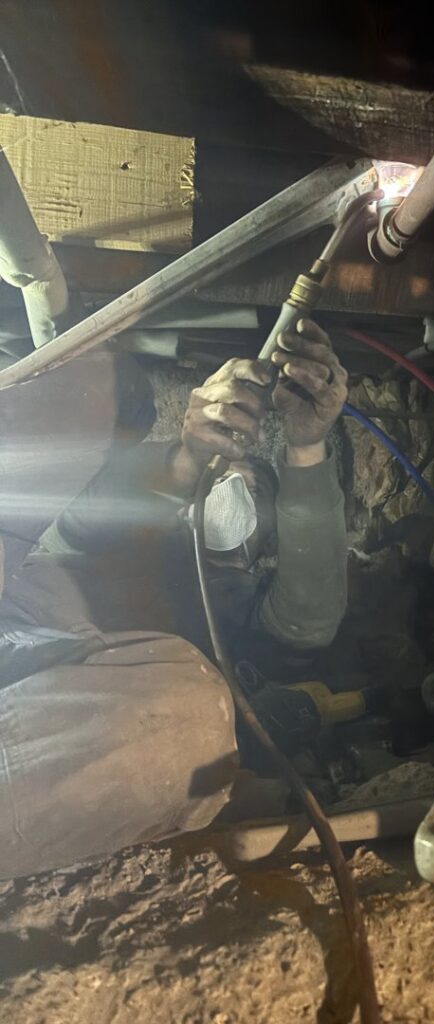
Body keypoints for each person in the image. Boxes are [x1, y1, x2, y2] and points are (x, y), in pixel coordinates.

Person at [0, 319, 349, 880]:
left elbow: (310, 620)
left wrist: (306, 447)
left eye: (250, 486)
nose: (229, 486)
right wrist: (188, 459)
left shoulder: (237, 613)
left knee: (197, 726)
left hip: (46, 719)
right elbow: (82, 520)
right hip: (12, 602)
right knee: (102, 377)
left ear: (266, 536)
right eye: (220, 474)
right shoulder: (138, 529)